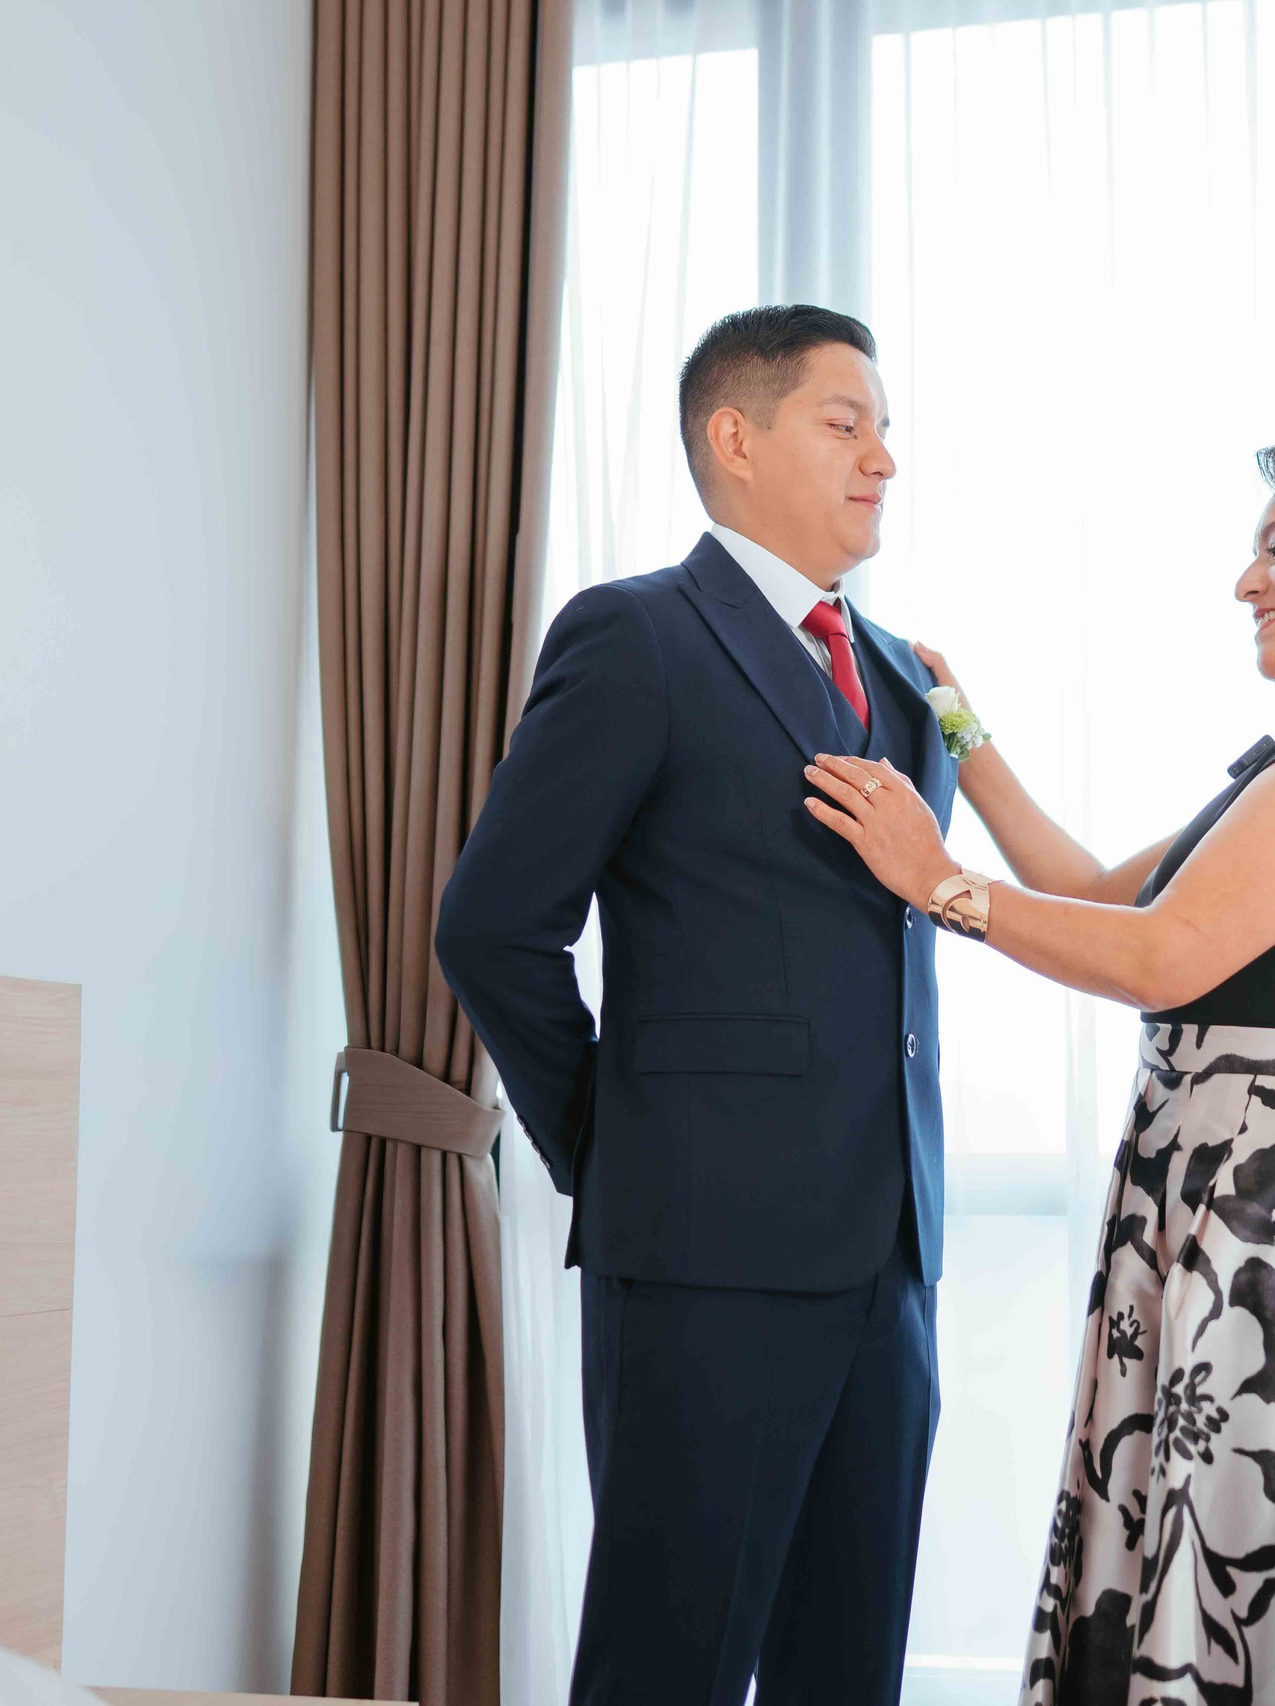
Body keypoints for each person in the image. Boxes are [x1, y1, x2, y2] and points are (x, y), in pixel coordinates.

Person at [802, 432, 1275, 1704]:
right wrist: (953, 720)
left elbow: (1159, 955)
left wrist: (931, 881)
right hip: (1269, 1206)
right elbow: (1095, 890)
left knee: (1273, 1566)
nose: (1245, 580)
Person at [434, 305, 950, 1705]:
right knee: (671, 1664)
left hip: (891, 1260)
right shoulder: (639, 636)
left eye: (887, 428)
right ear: (735, 438)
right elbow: (492, 927)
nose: (884, 458)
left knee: (851, 1671)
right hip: (703, 1258)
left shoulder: (906, 677)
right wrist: (614, 1139)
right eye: (847, 423)